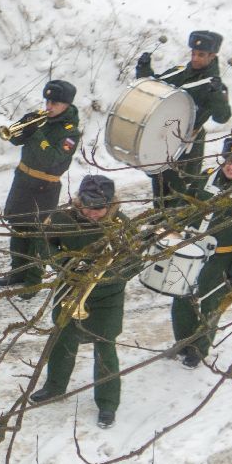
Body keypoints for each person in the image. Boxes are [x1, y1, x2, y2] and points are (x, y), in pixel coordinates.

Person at [26, 175, 137, 428]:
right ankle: (55, 387)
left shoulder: (122, 225)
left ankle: (108, 404)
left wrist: (102, 275)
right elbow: (45, 245)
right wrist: (65, 263)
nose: (92, 213)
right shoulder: (63, 218)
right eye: (87, 206)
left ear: (110, 205)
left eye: (99, 208)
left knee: (105, 349)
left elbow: (135, 262)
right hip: (69, 290)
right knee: (61, 341)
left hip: (106, 297)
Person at [171, 137, 232, 369]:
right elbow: (187, 207)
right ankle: (183, 343)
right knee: (181, 299)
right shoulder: (207, 176)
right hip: (192, 251)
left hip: (221, 259)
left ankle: (199, 349)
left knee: (210, 306)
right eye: (229, 161)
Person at [0, 79, 82, 290]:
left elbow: (50, 159)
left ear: (67, 105)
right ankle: (17, 271)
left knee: (36, 234)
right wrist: (24, 125)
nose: (49, 107)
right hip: (24, 180)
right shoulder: (42, 120)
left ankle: (33, 280)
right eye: (48, 102)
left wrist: (36, 132)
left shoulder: (70, 132)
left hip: (45, 186)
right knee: (17, 227)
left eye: (55, 103)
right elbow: (15, 140)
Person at [138, 30, 232, 209]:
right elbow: (152, 89)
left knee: (181, 192)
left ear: (212, 56)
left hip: (188, 146)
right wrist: (143, 69)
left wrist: (216, 94)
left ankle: (174, 228)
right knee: (160, 185)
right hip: (163, 138)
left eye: (201, 55)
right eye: (194, 53)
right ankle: (159, 223)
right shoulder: (179, 73)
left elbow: (222, 117)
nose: (195, 58)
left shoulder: (215, 85)